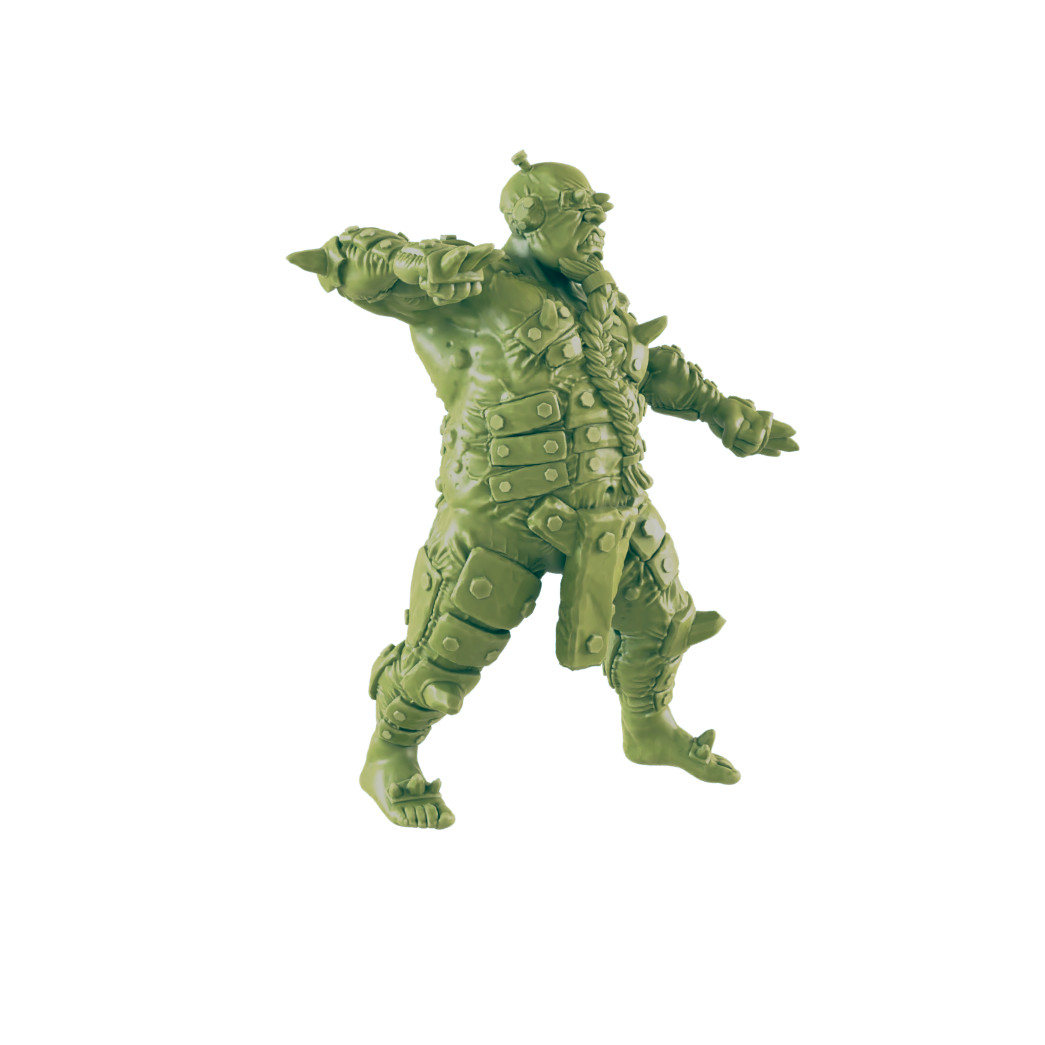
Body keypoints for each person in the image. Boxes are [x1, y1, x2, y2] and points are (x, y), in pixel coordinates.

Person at [286, 150, 800, 830]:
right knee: (444, 654)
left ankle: (647, 727)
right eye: (578, 219)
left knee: (663, 618)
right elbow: (345, 262)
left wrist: (721, 409)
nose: (595, 233)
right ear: (529, 222)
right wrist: (407, 261)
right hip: (497, 513)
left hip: (608, 503)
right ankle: (389, 753)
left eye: (597, 219)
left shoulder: (600, 299)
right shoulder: (473, 286)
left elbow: (647, 368)